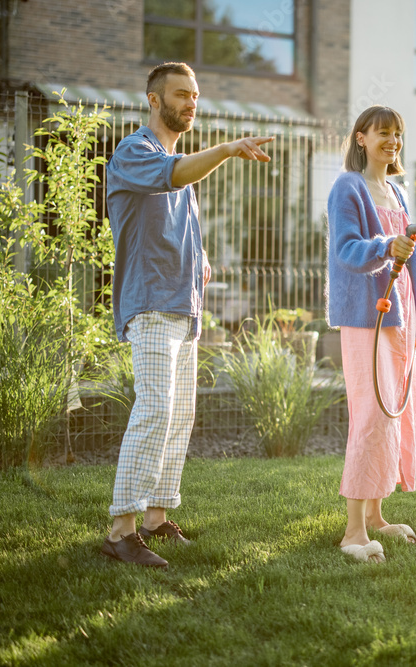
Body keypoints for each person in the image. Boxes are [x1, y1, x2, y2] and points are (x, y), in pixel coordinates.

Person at [103, 62, 274, 568]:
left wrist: (199, 258)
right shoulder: (136, 151)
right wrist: (225, 149)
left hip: (182, 307)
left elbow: (174, 215)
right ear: (154, 100)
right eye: (181, 94)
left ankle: (155, 517)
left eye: (195, 95)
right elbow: (172, 177)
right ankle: (121, 530)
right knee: (155, 408)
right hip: (151, 303)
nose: (191, 103)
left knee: (178, 416)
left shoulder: (181, 166)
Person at [326, 105, 416, 563]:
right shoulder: (347, 187)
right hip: (367, 316)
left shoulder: (397, 192)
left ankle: (376, 518)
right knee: (371, 415)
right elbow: (347, 250)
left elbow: (415, 266)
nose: (392, 141)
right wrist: (385, 246)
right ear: (361, 139)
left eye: (398, 134)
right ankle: (353, 533)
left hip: (402, 316)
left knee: (394, 415)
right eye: (383, 133)